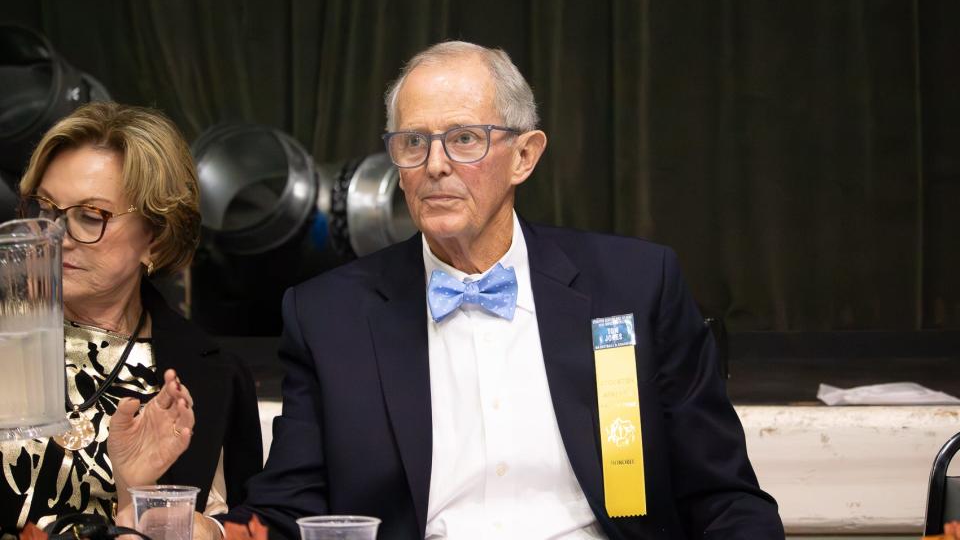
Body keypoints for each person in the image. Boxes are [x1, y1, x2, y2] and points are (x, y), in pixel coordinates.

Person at [221, 41, 784, 539]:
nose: (435, 165)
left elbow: (722, 496)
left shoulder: (633, 286)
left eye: (464, 139)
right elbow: (288, 509)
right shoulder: (329, 316)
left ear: (524, 156)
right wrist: (212, 532)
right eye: (414, 142)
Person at [0, 102, 262, 535]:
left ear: (155, 240)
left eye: (90, 216)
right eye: (45, 209)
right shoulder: (12, 341)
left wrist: (137, 495)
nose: (55, 236)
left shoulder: (212, 375)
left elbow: (241, 528)